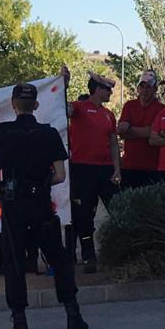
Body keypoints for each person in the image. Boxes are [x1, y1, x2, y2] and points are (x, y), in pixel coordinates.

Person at [0, 82, 88, 329]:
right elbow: (60, 175)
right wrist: (40, 182)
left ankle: (20, 323)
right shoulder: (49, 134)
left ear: (12, 104)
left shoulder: (2, 132)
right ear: (36, 105)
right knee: (58, 258)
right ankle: (73, 315)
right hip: (41, 204)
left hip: (13, 206)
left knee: (15, 262)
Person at [63, 69, 121, 273]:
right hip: (82, 169)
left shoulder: (108, 114)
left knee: (119, 209)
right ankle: (88, 256)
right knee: (84, 216)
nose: (111, 94)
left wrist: (117, 169)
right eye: (107, 90)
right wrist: (65, 83)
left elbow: (113, 143)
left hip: (105, 170)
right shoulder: (79, 108)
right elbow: (62, 107)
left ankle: (121, 251)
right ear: (97, 90)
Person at [117, 70, 165, 190]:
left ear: (155, 89)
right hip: (129, 165)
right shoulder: (129, 105)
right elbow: (121, 132)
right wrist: (144, 132)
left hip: (152, 166)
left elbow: (153, 133)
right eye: (142, 87)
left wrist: (130, 129)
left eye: (148, 87)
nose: (144, 90)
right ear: (138, 88)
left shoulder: (161, 109)